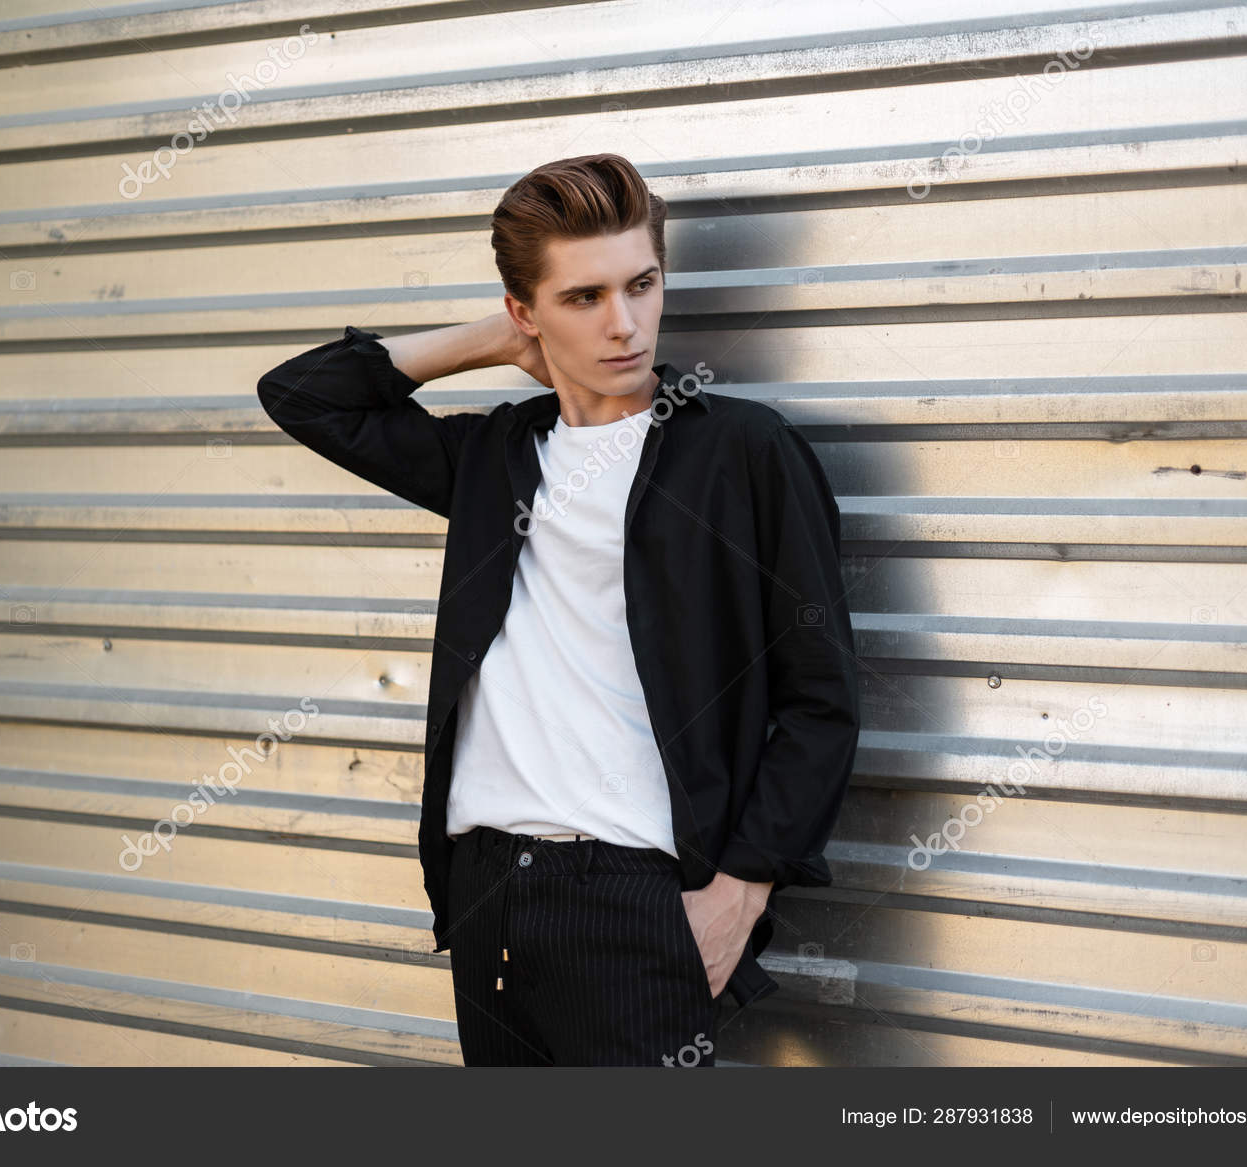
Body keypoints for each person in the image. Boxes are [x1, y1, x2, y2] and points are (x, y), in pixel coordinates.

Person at [257, 152, 860, 1066]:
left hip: (633, 896)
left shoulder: (742, 453)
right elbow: (304, 395)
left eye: (642, 284)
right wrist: (490, 342)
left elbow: (820, 699)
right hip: (490, 889)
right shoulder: (493, 457)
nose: (625, 324)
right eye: (583, 297)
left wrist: (740, 891)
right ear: (527, 311)